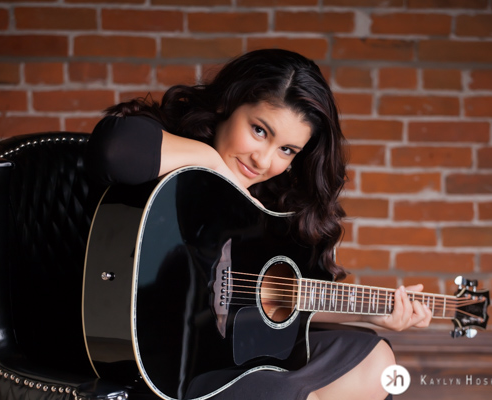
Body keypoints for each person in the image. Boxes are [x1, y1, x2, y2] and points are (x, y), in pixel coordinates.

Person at [85, 48, 432, 400]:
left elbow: (275, 301)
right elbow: (115, 150)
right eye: (259, 130)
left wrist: (373, 316)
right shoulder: (172, 143)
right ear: (228, 103)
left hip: (229, 349)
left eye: (287, 150)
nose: (263, 161)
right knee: (286, 392)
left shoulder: (275, 202)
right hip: (166, 361)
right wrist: (212, 163)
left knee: (378, 361)